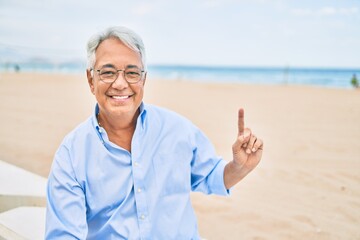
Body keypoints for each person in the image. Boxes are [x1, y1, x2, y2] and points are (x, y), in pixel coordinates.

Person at [45, 26, 264, 239]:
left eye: (132, 73)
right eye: (108, 72)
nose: (120, 84)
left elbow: (211, 177)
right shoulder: (71, 155)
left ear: (143, 80)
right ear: (91, 80)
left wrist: (239, 167)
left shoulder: (178, 130)